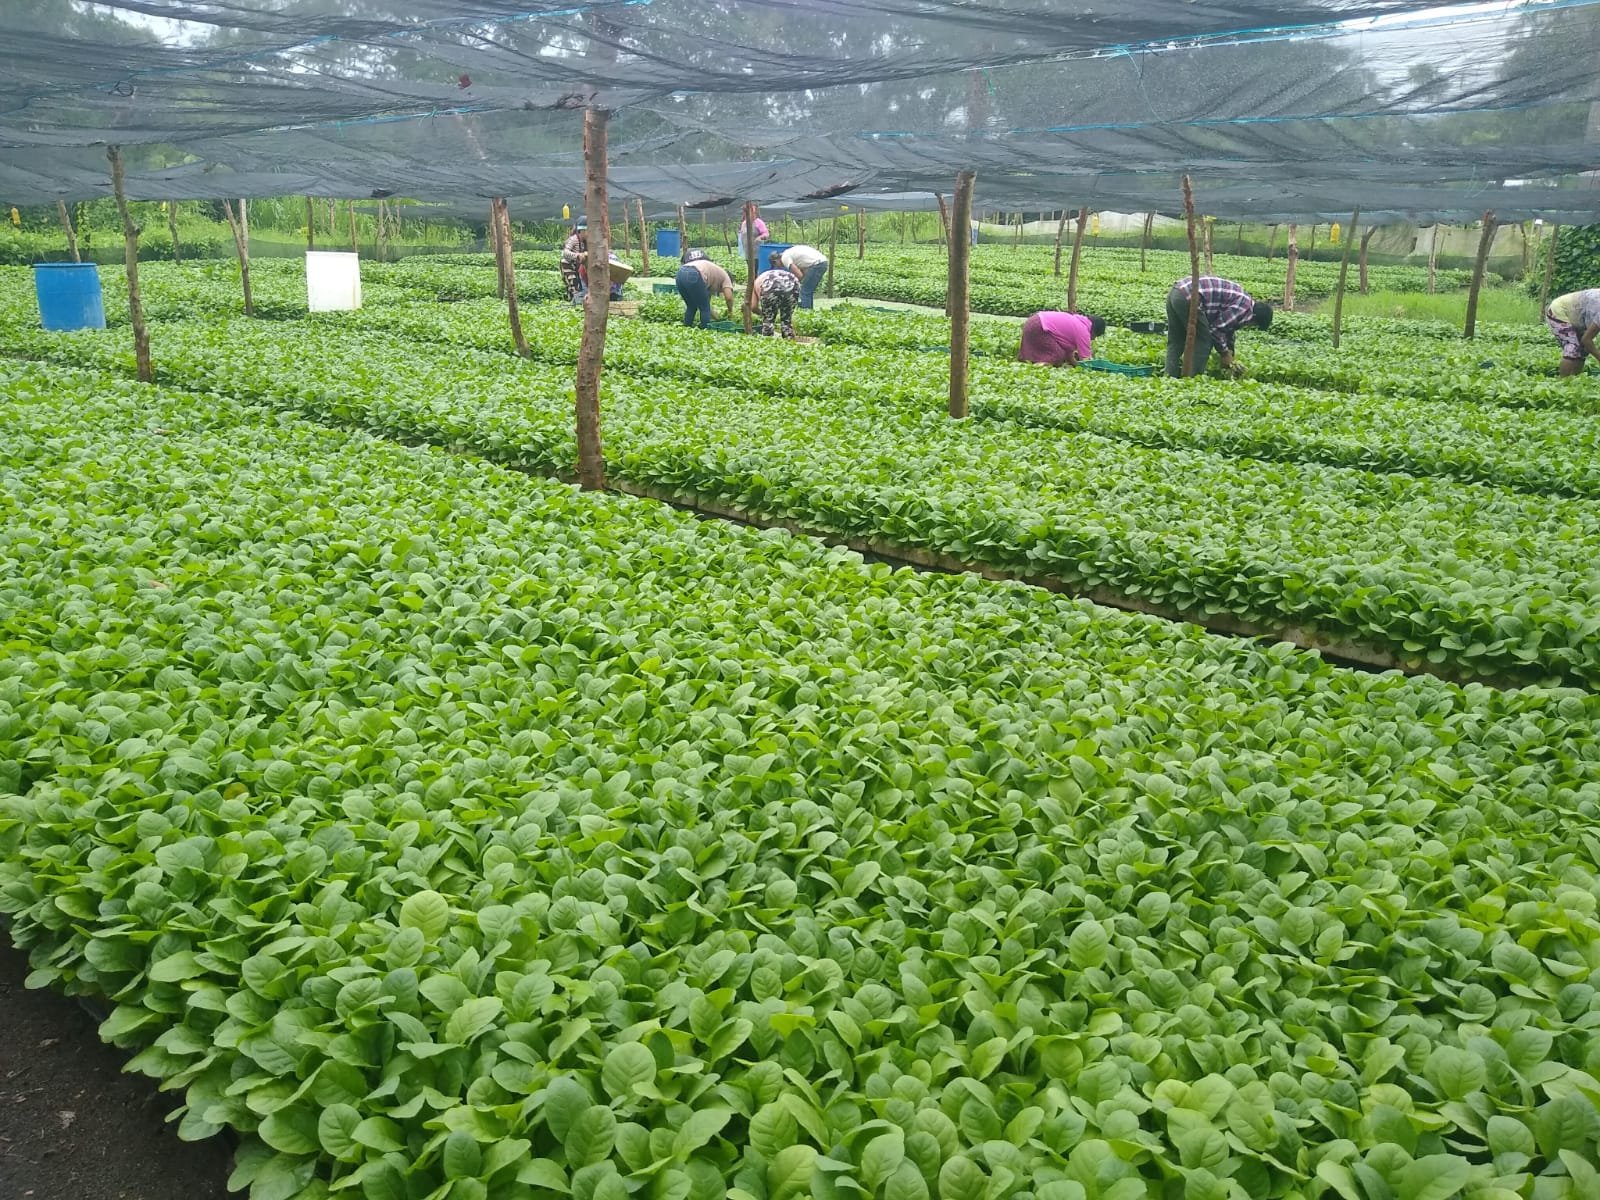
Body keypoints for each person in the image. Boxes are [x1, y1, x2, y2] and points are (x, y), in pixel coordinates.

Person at [1164, 275, 1273, 377]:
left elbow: (1228, 330)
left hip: (1176, 292)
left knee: (1176, 340)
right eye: (1253, 325)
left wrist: (1230, 356)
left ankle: (1169, 376)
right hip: (1190, 296)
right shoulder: (1244, 308)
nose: (1248, 326)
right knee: (1204, 340)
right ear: (1254, 317)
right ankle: (1192, 380)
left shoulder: (1244, 301)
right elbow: (1216, 329)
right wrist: (1224, 353)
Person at [1018, 311, 1107, 367]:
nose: (1093, 339)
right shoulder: (1083, 331)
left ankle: (1033, 362)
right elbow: (1086, 360)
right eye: (1095, 336)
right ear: (1094, 331)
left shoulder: (1078, 321)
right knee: (1057, 356)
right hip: (1038, 326)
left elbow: (1068, 353)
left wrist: (1075, 365)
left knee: (1061, 354)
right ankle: (1036, 367)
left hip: (1032, 321)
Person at [1544, 288, 1600, 376]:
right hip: (1559, 311)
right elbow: (1586, 339)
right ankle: (1563, 383)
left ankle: (1574, 382)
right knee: (1572, 346)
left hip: (1578, 316)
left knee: (1583, 350)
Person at [675, 249, 735, 328]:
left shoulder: (711, 278)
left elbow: (707, 304)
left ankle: (686, 327)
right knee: (704, 308)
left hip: (680, 274)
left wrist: (717, 319)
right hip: (693, 273)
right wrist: (730, 312)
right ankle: (705, 330)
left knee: (691, 306)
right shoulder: (725, 276)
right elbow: (729, 298)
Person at [779, 244, 829, 310]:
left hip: (817, 264)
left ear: (775, 261)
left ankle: (806, 311)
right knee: (808, 289)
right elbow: (803, 273)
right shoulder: (789, 253)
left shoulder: (784, 258)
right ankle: (809, 310)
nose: (779, 267)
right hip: (822, 262)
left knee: (805, 290)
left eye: (777, 265)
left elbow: (799, 275)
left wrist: (792, 286)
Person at [753, 268, 800, 338]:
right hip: (793, 282)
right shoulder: (763, 276)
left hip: (770, 284)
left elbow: (753, 306)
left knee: (768, 322)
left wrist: (765, 315)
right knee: (786, 321)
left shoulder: (755, 283)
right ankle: (789, 343)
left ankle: (768, 344)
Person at [560, 219, 587, 302]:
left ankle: (573, 301)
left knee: (579, 285)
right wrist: (577, 255)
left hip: (577, 266)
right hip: (568, 265)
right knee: (574, 285)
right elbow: (565, 252)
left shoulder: (585, 241)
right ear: (582, 231)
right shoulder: (573, 239)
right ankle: (574, 303)